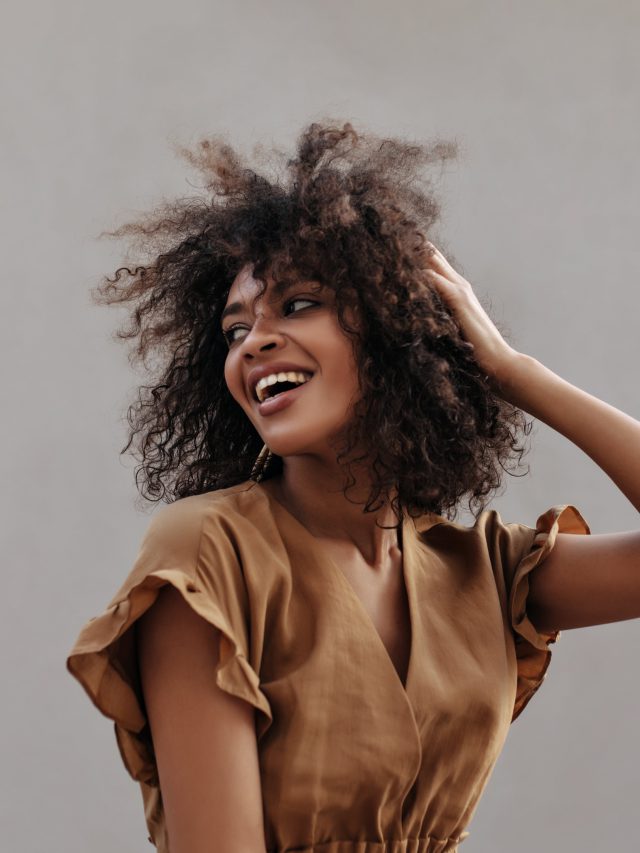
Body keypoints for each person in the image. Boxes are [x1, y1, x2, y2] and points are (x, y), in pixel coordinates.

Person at [66, 121, 640, 853]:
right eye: (235, 329)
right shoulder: (208, 554)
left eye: (298, 304)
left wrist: (513, 370)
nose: (254, 341)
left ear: (394, 331)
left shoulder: (486, 574)